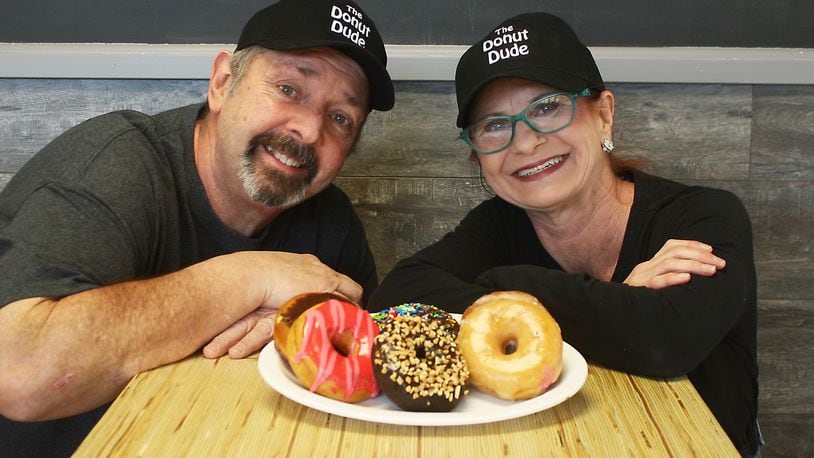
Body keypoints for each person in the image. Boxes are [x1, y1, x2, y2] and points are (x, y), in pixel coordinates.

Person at [0, 0, 393, 455]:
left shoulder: (330, 220)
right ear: (224, 83)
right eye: (288, 88)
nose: (309, 129)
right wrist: (250, 278)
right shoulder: (118, 164)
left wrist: (298, 322)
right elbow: (21, 371)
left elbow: (363, 363)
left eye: (341, 118)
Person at [369, 12, 761, 457]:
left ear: (604, 115)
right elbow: (396, 298)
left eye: (547, 107)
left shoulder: (704, 215)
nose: (524, 142)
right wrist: (620, 301)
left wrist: (502, 287)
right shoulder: (499, 223)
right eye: (495, 124)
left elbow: (664, 341)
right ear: (478, 155)